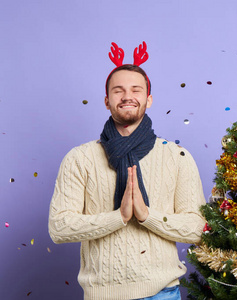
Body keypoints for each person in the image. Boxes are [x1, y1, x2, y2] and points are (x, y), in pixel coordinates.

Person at [48, 42, 206, 300]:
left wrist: (147, 216)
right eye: (118, 91)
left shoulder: (177, 156)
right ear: (107, 101)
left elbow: (199, 228)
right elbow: (59, 228)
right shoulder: (80, 158)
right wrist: (118, 217)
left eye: (136, 89)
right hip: (102, 295)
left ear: (149, 99)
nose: (127, 96)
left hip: (162, 293)